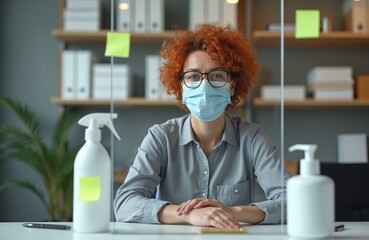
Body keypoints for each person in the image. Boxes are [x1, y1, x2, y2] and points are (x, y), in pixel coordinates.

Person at [114, 24, 289, 228]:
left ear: (232, 85)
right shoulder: (161, 137)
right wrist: (188, 215)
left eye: (216, 75)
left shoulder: (251, 138)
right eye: (194, 76)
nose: (204, 86)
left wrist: (231, 211)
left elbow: (292, 202)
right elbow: (125, 204)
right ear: (181, 85)